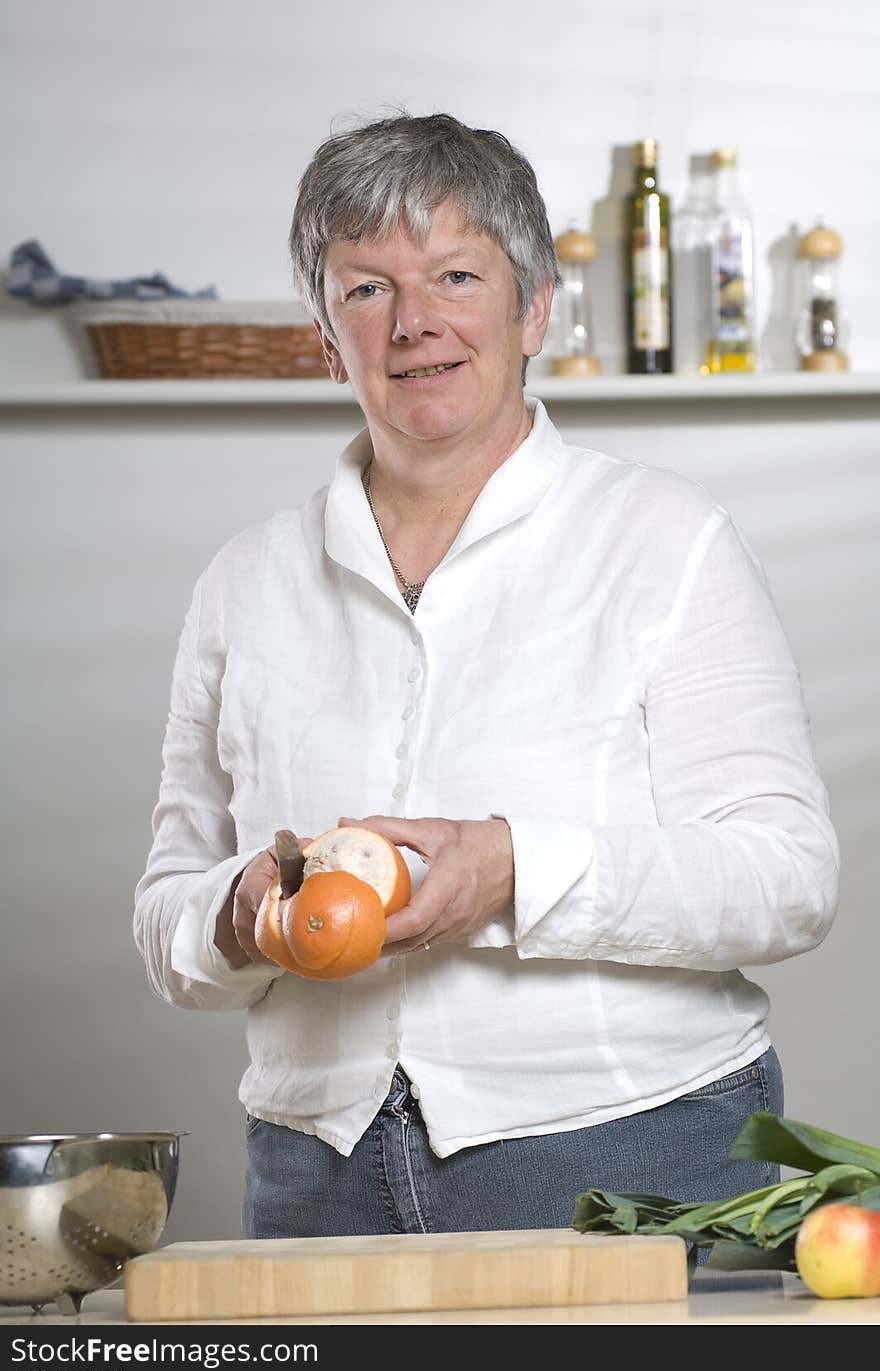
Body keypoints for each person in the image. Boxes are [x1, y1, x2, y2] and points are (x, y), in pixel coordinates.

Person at [134, 112, 839, 1241]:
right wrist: (238, 915)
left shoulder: (667, 540)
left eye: (456, 275)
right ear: (325, 338)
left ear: (534, 311)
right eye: (366, 290)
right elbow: (168, 904)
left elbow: (786, 875)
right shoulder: (243, 584)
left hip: (628, 1147)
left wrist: (514, 870)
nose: (414, 323)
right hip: (317, 1172)